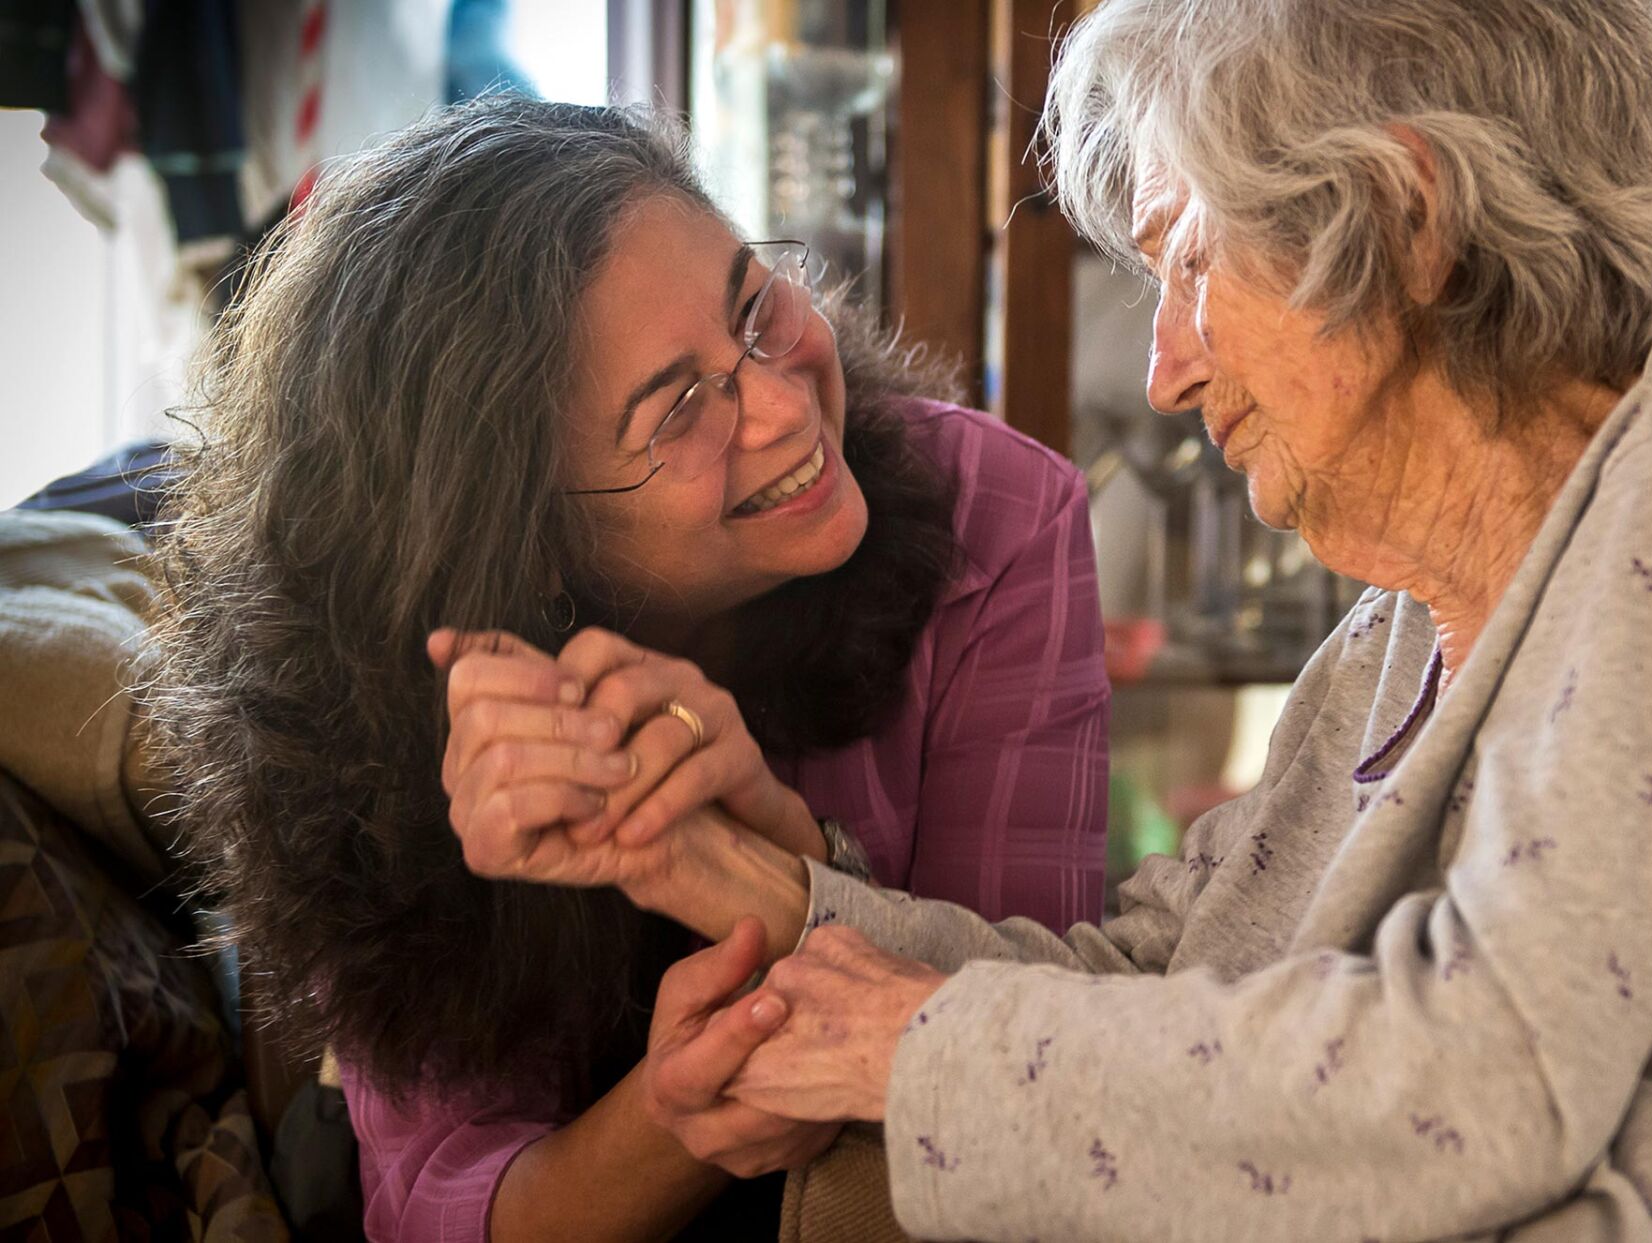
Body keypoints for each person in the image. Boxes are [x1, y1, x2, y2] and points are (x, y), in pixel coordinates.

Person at [471, 0, 1652, 1236]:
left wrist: (915, 1050)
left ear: (1400, 222)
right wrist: (717, 870)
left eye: (1192, 267)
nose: (1168, 364)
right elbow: (1151, 975)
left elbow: (1485, 1074)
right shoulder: (1395, 645)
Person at [142, 96, 1110, 1241]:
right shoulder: (398, 702)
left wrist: (776, 852)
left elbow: (1042, 1063)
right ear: (524, 538)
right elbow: (439, 1208)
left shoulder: (997, 521)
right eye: (679, 409)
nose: (784, 399)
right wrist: (677, 1118)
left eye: (753, 307)